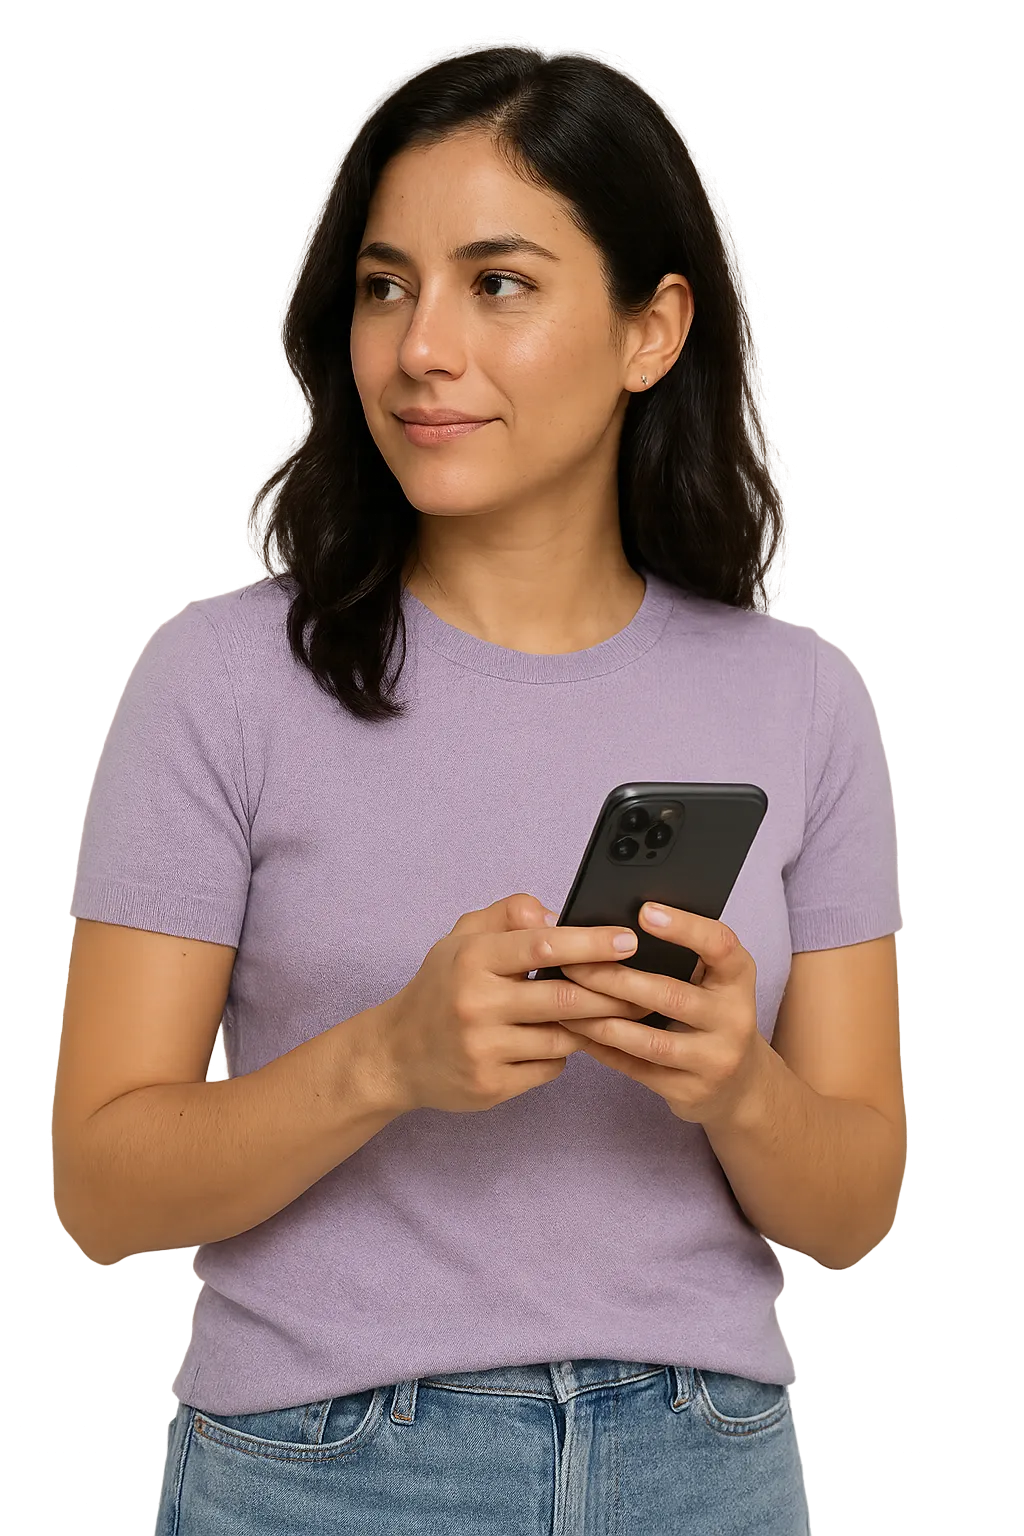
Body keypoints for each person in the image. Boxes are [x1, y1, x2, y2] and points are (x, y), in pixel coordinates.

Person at [52, 40, 905, 1536]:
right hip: (325, 1472)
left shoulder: (802, 698)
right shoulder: (223, 678)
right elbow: (104, 1188)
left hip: (700, 1468)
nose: (420, 349)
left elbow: (854, 1208)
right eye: (386, 286)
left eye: (496, 283)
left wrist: (738, 1087)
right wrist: (385, 1061)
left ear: (652, 331)